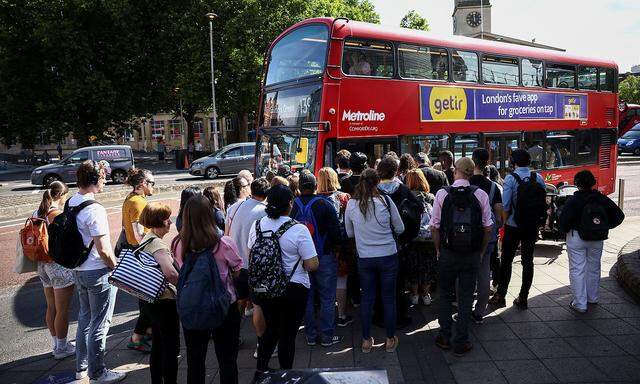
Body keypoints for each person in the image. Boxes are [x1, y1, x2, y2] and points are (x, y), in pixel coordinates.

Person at [248, 185, 319, 375]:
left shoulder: (257, 226)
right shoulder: (298, 229)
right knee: (288, 334)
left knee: (271, 329)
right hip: (293, 289)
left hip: (265, 289)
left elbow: (251, 254)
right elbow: (312, 264)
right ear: (290, 204)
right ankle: (285, 373)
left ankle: (261, 370)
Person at [173, 196, 244, 384]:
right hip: (224, 306)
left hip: (193, 305)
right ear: (209, 215)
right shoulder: (223, 243)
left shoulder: (179, 244)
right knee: (227, 360)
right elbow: (237, 271)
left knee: (195, 360)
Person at [430, 157, 492, 356]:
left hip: (448, 253)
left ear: (455, 170)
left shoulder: (442, 193)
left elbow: (434, 227)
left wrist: (439, 250)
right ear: (472, 172)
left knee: (446, 295)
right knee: (465, 297)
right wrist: (481, 252)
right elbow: (488, 227)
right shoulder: (480, 194)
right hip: (471, 254)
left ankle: (444, 336)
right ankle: (462, 341)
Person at [71, 161, 124, 382]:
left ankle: (80, 368)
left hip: (79, 269)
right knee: (100, 323)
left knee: (85, 318)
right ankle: (98, 372)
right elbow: (104, 249)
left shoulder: (71, 202)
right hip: (97, 271)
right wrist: (116, 268)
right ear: (94, 180)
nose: (105, 182)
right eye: (103, 178)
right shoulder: (94, 209)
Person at [345, 169, 404, 353]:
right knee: (388, 298)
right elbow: (400, 228)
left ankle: (366, 340)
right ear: (377, 183)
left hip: (365, 258)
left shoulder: (352, 205)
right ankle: (389, 338)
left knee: (367, 298)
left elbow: (349, 233)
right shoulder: (385, 201)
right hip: (388, 255)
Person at [558, 170, 624, 313]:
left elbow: (563, 223)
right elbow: (619, 215)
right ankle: (592, 297)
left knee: (577, 269)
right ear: (593, 183)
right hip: (597, 238)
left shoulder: (574, 200)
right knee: (594, 268)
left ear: (577, 184)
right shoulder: (601, 198)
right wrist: (604, 226)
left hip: (576, 237)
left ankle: (580, 303)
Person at [290, 171, 342, 347]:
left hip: (301, 259)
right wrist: (336, 249)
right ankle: (327, 336)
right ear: (315, 186)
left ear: (299, 187)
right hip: (324, 256)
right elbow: (336, 232)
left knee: (307, 297)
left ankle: (310, 335)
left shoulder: (293, 206)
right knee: (327, 298)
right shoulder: (325, 204)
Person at [489, 149, 546, 309]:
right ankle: (523, 297)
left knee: (506, 261)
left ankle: (501, 295)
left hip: (514, 226)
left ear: (513, 162)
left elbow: (506, 206)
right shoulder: (538, 177)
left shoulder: (510, 179)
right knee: (528, 261)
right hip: (531, 225)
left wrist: (506, 223)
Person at [226, 177, 270, 357]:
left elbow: (227, 233)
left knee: (239, 302)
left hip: (236, 265)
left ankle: (232, 339)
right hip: (255, 266)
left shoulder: (234, 208)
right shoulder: (265, 212)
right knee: (258, 305)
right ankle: (262, 345)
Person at [137, 203, 180, 384]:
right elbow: (170, 273)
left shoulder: (146, 238)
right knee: (171, 347)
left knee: (158, 344)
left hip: (148, 298)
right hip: (164, 302)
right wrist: (182, 284)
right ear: (162, 221)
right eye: (168, 219)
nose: (170, 222)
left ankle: (157, 380)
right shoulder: (157, 244)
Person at [34, 181, 76, 359]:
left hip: (42, 263)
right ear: (60, 195)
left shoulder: (38, 212)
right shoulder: (56, 213)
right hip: (57, 264)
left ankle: (55, 342)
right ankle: (61, 347)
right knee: (63, 309)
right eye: (65, 196)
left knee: (51, 306)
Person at [376, 156, 420, 327]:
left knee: (380, 283)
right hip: (399, 244)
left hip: (377, 242)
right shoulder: (403, 190)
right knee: (398, 283)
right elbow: (416, 213)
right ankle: (399, 316)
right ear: (397, 171)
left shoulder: (374, 191)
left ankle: (380, 315)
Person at [121, 168, 155, 352]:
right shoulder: (138, 203)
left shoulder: (130, 199)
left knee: (146, 297)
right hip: (144, 253)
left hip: (136, 252)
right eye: (151, 182)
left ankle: (148, 331)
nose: (153, 186)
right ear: (142, 184)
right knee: (149, 298)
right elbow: (139, 233)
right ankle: (137, 337)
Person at [468, 148, 504, 323]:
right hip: (487, 237)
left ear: (473, 161)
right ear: (487, 161)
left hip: (465, 236)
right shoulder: (493, 187)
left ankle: (463, 308)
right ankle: (479, 312)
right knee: (484, 273)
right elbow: (498, 215)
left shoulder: (464, 182)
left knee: (465, 273)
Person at [316, 167, 353, 326]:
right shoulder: (344, 198)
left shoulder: (315, 200)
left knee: (323, 281)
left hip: (320, 245)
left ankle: (325, 314)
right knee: (341, 281)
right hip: (342, 244)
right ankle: (342, 315)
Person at [404, 169, 436, 306]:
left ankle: (415, 295)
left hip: (412, 239)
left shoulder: (406, 198)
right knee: (427, 266)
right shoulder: (431, 197)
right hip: (428, 239)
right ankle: (426, 295)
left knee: (413, 267)